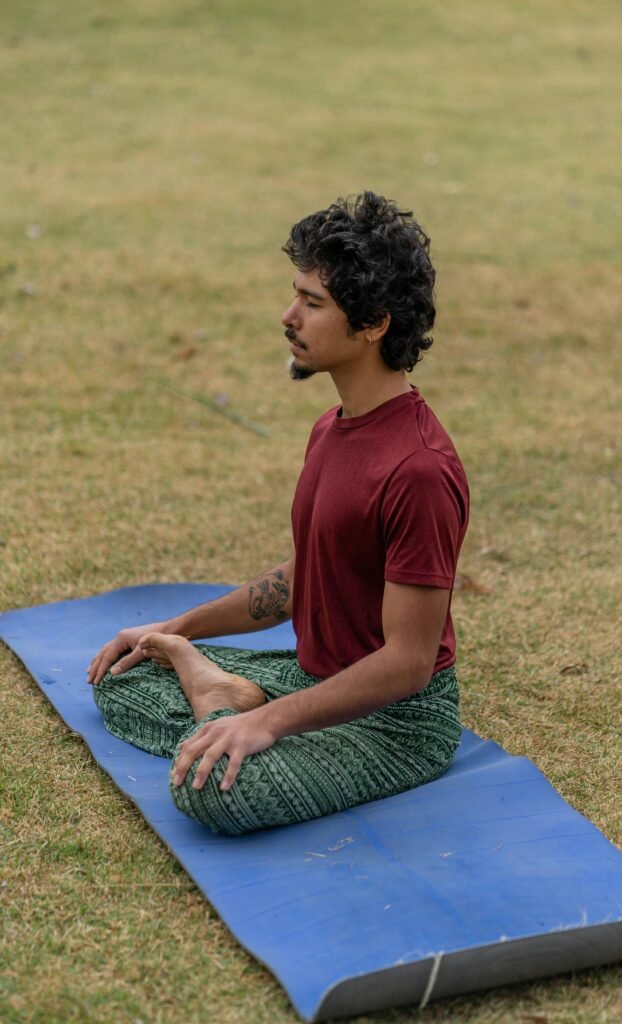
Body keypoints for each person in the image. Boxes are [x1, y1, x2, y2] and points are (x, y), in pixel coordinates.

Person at [88, 191, 469, 835]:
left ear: (374, 322)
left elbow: (409, 660)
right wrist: (178, 627)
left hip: (396, 720)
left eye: (313, 303)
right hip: (313, 673)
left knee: (214, 792)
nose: (288, 316)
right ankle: (223, 695)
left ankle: (232, 703)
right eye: (296, 295)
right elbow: (307, 574)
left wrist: (266, 721)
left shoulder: (420, 470)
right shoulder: (332, 427)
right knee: (120, 680)